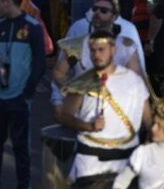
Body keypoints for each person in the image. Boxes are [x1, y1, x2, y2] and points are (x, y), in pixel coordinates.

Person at [57, 29, 151, 186]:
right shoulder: (82, 82)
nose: (96, 55)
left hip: (126, 164)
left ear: (113, 50)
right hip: (90, 163)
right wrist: (89, 126)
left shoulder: (134, 81)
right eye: (93, 50)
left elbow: (148, 120)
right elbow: (65, 116)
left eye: (101, 50)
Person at [0, 0, 46, 189]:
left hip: (19, 98)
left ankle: (23, 185)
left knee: (21, 147)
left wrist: (28, 92)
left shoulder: (32, 27)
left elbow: (39, 63)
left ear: (8, 2)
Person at [114, 81, 164, 189]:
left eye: (160, 126)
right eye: (154, 123)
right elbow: (120, 183)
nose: (153, 128)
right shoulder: (143, 153)